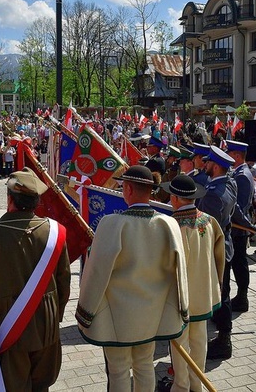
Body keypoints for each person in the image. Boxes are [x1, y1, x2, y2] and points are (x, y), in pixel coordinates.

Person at [76, 165, 188, 392]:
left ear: (127, 189)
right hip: (152, 314)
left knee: (118, 370)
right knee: (145, 365)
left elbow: (96, 273)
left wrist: (85, 312)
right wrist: (182, 309)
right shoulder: (168, 224)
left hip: (118, 316)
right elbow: (181, 272)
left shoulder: (112, 224)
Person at [0, 167, 70, 390]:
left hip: (9, 325)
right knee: (42, 385)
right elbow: (64, 282)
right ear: (36, 201)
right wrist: (56, 316)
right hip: (47, 323)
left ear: (10, 199)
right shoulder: (56, 231)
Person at [161, 174, 224, 392]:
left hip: (180, 295)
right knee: (199, 340)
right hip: (204, 293)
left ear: (176, 198)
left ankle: (181, 386)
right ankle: (196, 384)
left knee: (179, 344)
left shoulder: (171, 225)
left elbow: (166, 264)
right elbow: (219, 257)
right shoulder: (209, 220)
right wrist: (216, 285)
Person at [197, 146, 237, 360]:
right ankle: (223, 336)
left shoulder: (214, 195)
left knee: (221, 295)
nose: (205, 165)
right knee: (223, 292)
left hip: (215, 249)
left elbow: (205, 227)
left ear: (215, 166)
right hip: (226, 245)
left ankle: (224, 341)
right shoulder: (228, 183)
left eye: (208, 163)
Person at [224, 140, 254, 314]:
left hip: (238, 227)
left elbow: (239, 206)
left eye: (229, 153)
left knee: (239, 263)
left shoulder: (242, 175)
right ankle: (241, 297)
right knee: (238, 262)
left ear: (236, 155)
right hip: (237, 225)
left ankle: (243, 297)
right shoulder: (239, 172)